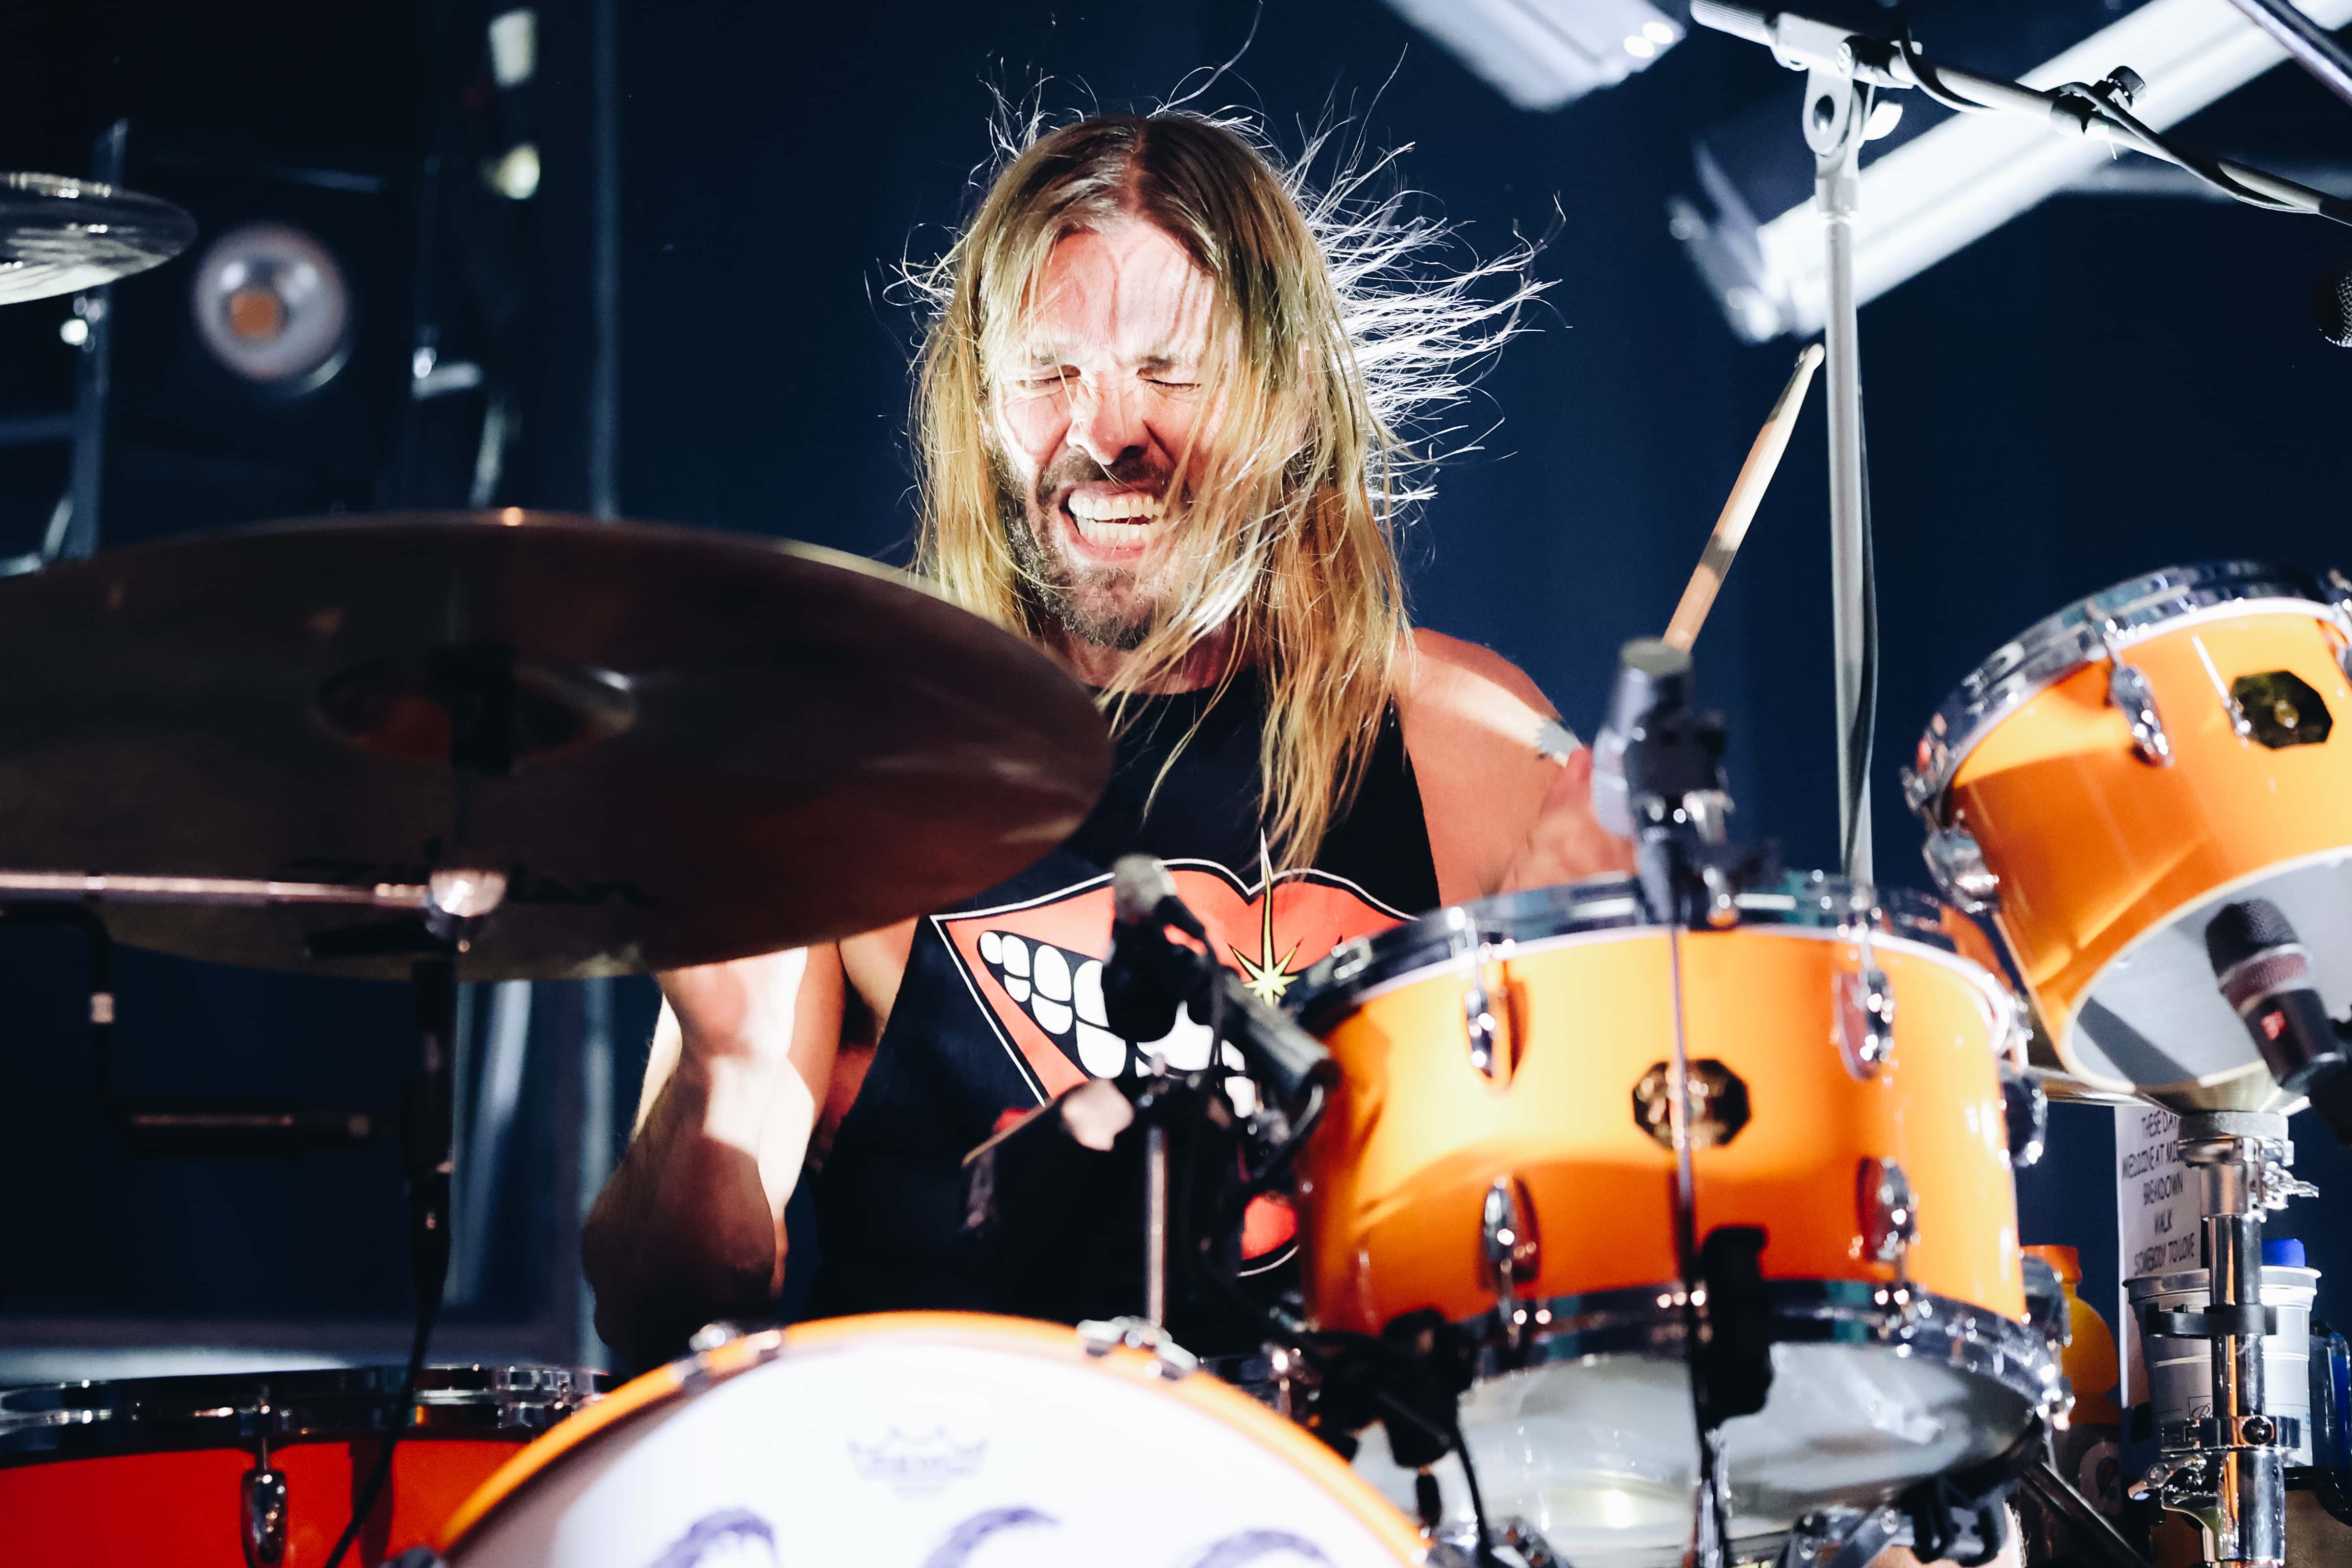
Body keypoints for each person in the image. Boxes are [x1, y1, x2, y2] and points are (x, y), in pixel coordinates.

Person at [582, 110, 1632, 1370]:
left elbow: (1603, 1283)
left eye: (1171, 373)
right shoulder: (844, 759)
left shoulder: (1469, 747)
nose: (1106, 433)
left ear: (1292, 396)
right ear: (981, 401)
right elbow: (654, 1308)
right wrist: (724, 1072)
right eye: (1049, 372)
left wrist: (1599, 1029)